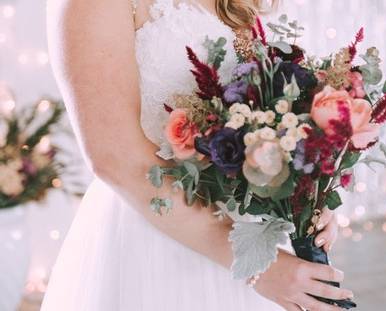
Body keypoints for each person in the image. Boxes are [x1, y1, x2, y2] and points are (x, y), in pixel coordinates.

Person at [42, 0, 352, 310]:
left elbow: (261, 111)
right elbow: (114, 156)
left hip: (258, 236)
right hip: (157, 244)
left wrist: (304, 197)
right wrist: (257, 266)